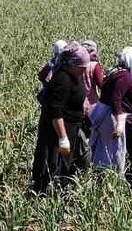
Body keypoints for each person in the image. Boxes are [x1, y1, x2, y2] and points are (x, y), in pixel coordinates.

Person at [30, 42, 89, 194]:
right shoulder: (63, 79)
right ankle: (45, 198)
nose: (85, 69)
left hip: (70, 129)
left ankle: (58, 194)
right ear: (73, 64)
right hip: (56, 134)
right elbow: (56, 111)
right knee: (52, 166)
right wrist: (63, 138)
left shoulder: (70, 75)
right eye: (82, 66)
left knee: (64, 166)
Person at [90, 47, 132, 183]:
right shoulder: (125, 76)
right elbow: (117, 98)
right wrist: (120, 124)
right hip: (117, 117)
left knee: (107, 150)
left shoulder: (115, 71)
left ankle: (108, 178)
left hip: (108, 116)